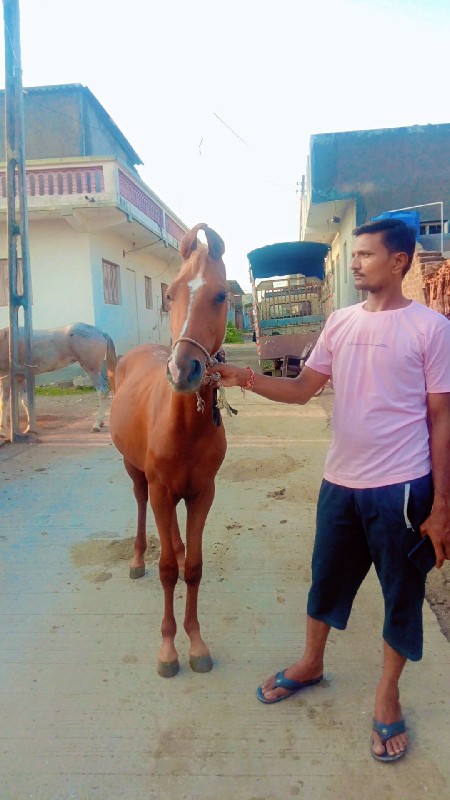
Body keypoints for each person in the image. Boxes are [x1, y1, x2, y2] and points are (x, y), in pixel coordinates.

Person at [206, 218, 450, 762]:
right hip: (340, 483)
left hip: (403, 488)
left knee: (401, 596)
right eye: (355, 254)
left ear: (400, 262)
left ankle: (387, 697)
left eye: (366, 254)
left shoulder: (430, 329)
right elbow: (302, 390)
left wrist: (441, 508)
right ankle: (312, 663)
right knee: (325, 580)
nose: (356, 262)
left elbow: (441, 419)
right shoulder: (339, 323)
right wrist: (242, 377)